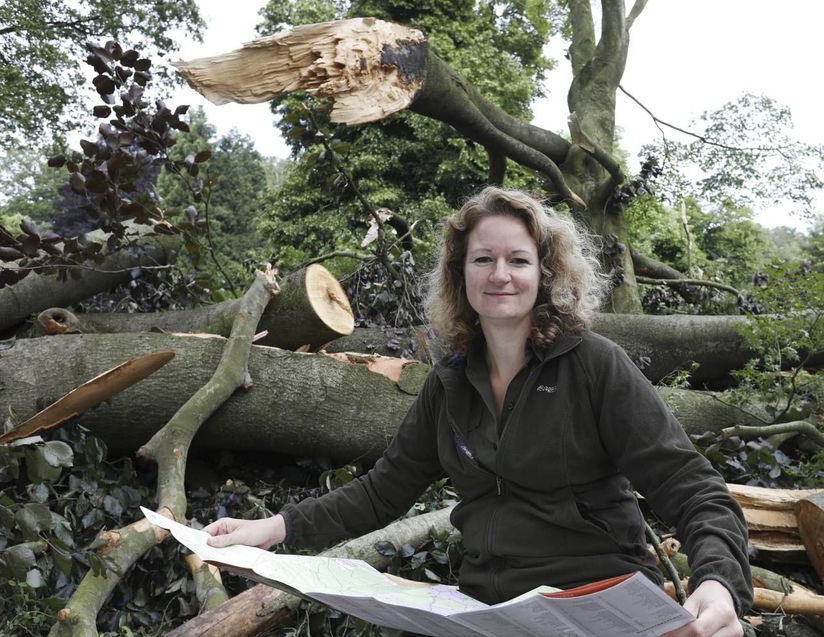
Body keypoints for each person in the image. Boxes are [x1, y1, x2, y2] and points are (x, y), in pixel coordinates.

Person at [204, 186, 753, 636]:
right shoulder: (449, 382)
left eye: (518, 259)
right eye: (483, 259)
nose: (500, 275)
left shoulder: (594, 365)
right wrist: (272, 529)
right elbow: (383, 490)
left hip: (596, 607)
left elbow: (692, 486)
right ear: (460, 276)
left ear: (546, 273)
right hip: (489, 612)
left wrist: (719, 581)